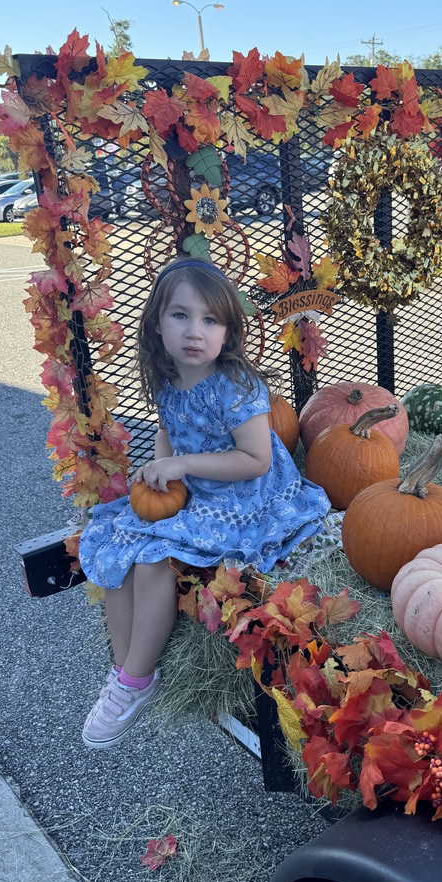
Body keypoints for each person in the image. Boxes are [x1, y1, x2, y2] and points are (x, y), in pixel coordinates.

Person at [77, 258, 331, 749]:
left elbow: (256, 460)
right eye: (181, 315)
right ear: (157, 323)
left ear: (228, 331)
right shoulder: (169, 378)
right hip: (196, 484)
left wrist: (183, 465)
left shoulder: (234, 386)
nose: (195, 331)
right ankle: (125, 670)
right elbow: (169, 431)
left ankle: (136, 680)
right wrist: (161, 468)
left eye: (210, 320)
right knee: (119, 548)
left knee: (153, 561)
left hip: (243, 495)